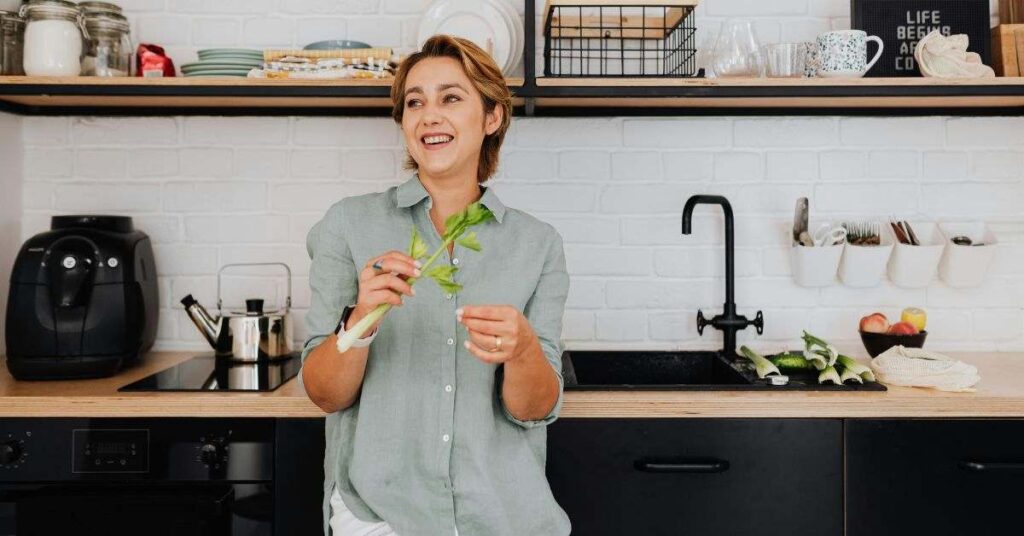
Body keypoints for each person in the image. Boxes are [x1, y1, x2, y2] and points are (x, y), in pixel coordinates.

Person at [298, 34, 572, 536]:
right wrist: (362, 319)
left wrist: (524, 349)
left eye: (451, 98)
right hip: (380, 517)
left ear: (492, 118)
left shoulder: (538, 244)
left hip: (503, 516)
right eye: (414, 103)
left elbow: (535, 408)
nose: (429, 116)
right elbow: (323, 394)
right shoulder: (348, 225)